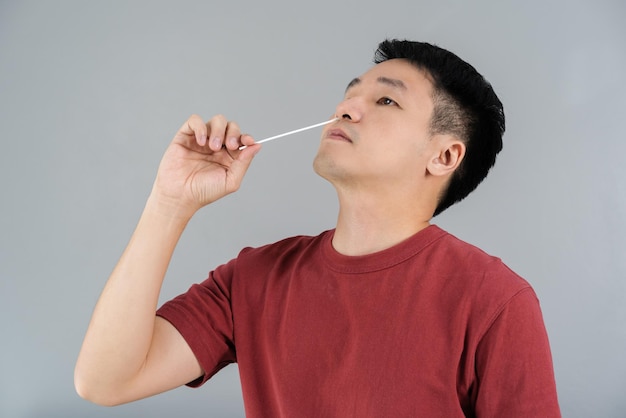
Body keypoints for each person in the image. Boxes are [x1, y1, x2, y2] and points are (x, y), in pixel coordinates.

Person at [75, 39, 561, 417]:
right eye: (350, 94)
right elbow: (106, 381)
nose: (347, 108)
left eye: (386, 101)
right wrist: (169, 201)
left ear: (444, 156)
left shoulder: (496, 302)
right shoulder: (255, 278)